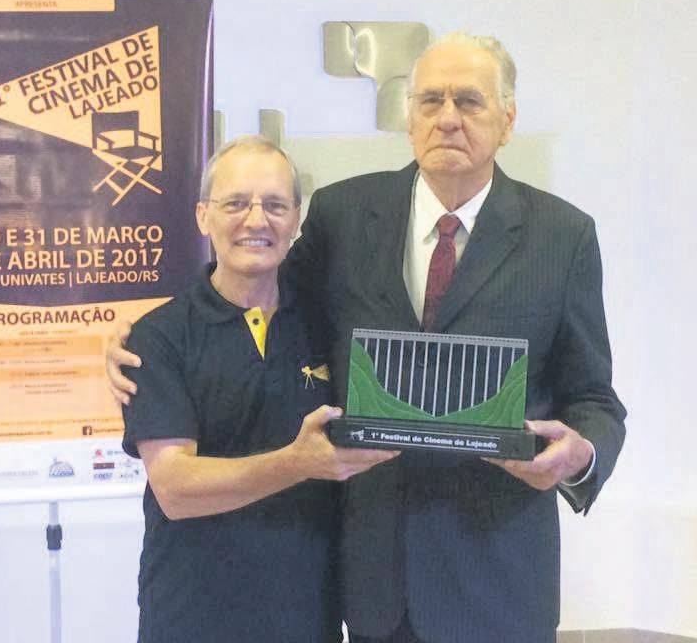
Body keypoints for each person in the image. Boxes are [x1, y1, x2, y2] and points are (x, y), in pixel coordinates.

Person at [109, 32, 626, 643]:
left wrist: (581, 455)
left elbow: (594, 399)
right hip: (375, 587)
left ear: (507, 120)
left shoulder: (562, 237)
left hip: (500, 582)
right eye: (430, 100)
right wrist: (147, 334)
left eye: (469, 101)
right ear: (409, 118)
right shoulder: (344, 215)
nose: (448, 118)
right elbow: (255, 286)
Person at [120, 135, 395, 643]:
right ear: (203, 216)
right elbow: (175, 489)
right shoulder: (158, 337)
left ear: (295, 221)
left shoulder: (330, 326)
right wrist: (297, 463)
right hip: (191, 618)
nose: (255, 220)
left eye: (274, 205)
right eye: (235, 204)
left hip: (307, 618)